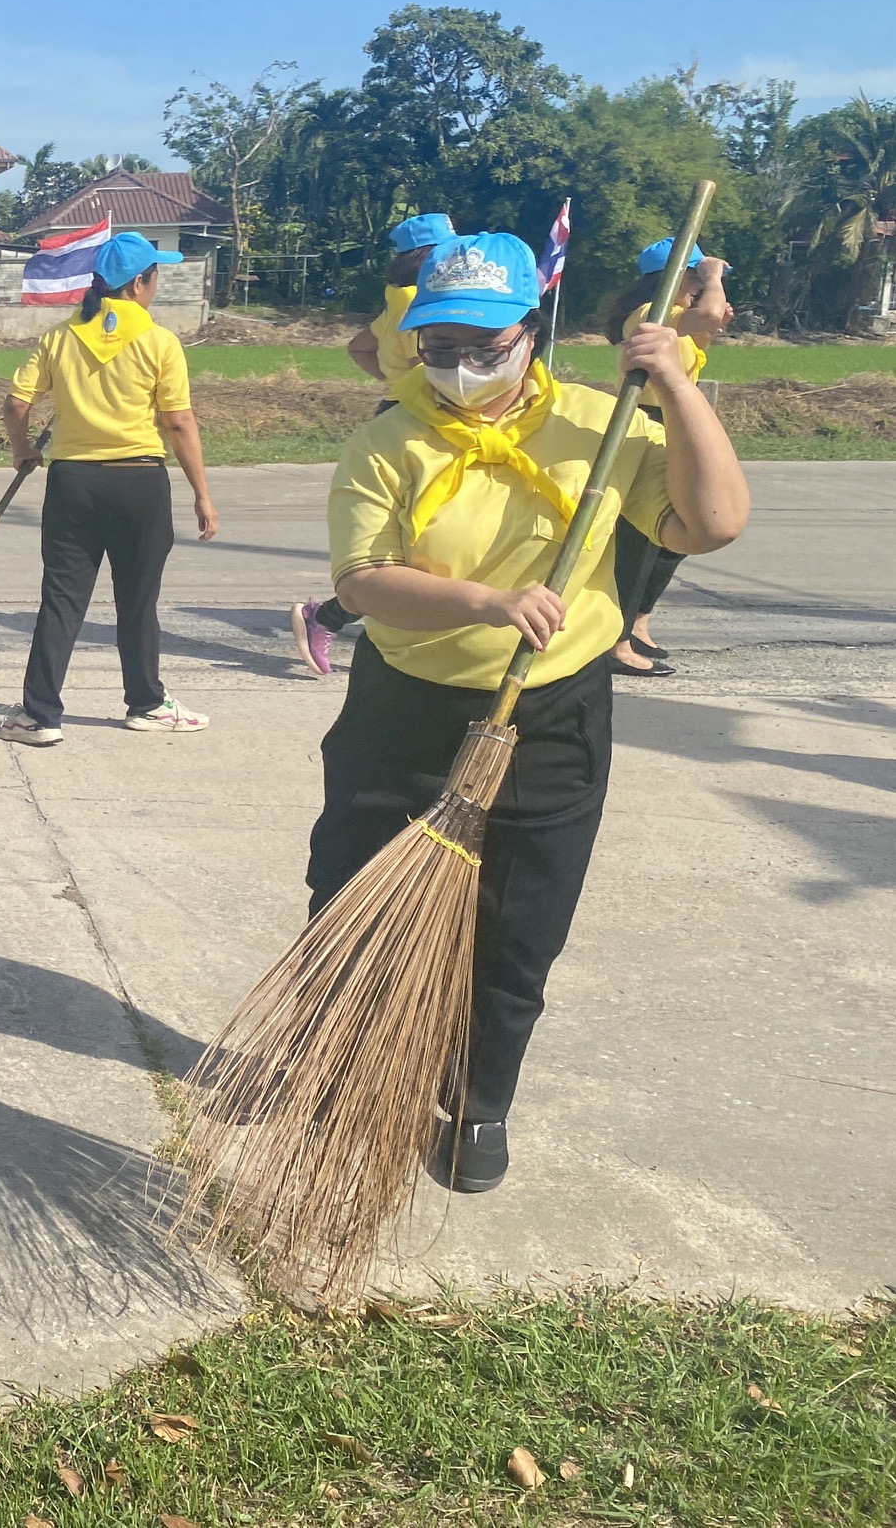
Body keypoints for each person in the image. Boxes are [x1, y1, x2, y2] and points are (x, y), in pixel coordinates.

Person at [312, 232, 748, 1192]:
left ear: (531, 333)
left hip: (550, 719)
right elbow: (364, 584)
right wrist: (486, 604)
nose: (461, 366)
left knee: (520, 921)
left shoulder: (604, 422)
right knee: (350, 894)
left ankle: (477, 1104)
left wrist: (675, 383)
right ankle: (342, 1072)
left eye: (485, 344)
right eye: (439, 346)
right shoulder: (387, 442)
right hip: (406, 711)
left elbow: (711, 524)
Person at [0, 231, 220, 746]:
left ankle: (39, 715)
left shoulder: (59, 338)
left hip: (74, 484)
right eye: (155, 275)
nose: (156, 284)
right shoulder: (160, 341)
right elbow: (178, 422)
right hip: (140, 483)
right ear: (140, 283)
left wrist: (22, 448)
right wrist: (202, 493)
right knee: (138, 600)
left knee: (62, 599)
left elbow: (16, 403)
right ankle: (146, 705)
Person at [291, 211, 455, 673]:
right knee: (411, 541)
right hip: (420, 420)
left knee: (412, 538)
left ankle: (330, 616)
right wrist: (410, 386)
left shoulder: (397, 302)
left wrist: (394, 382)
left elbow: (359, 348)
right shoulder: (419, 303)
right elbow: (429, 368)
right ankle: (326, 616)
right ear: (429, 257)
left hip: (406, 413)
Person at [602, 237, 733, 680]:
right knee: (640, 537)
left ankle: (637, 622)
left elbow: (713, 319)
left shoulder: (674, 317)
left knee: (675, 537)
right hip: (648, 420)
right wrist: (714, 276)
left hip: (674, 420)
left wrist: (711, 299)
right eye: (694, 276)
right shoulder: (649, 314)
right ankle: (615, 642)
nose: (701, 284)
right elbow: (712, 314)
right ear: (672, 278)